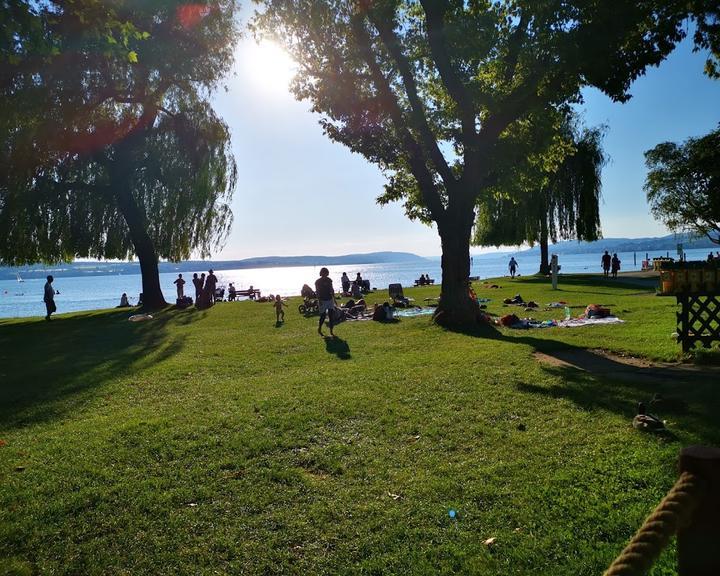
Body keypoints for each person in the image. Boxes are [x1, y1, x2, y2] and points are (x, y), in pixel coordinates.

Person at [315, 267, 337, 337]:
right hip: (322, 300)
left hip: (329, 299)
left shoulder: (329, 280)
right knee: (323, 316)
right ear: (321, 273)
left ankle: (331, 331)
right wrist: (319, 300)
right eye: (324, 273)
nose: (325, 274)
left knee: (331, 316)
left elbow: (331, 289)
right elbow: (317, 291)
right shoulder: (318, 282)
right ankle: (320, 329)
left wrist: (334, 299)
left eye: (326, 273)